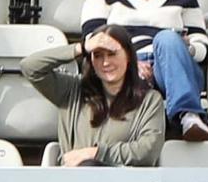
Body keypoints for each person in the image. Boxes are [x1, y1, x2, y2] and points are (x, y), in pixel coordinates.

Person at [81, 0, 208, 141]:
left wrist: (183, 48)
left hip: (173, 64)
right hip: (123, 67)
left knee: (167, 39)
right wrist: (129, 62)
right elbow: (92, 40)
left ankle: (189, 117)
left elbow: (205, 48)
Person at [37, 24, 166, 166]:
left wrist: (96, 153)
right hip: (72, 181)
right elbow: (31, 68)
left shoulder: (149, 100)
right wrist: (81, 47)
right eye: (98, 55)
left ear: (128, 55)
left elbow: (148, 152)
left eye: (112, 54)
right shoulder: (72, 89)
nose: (105, 62)